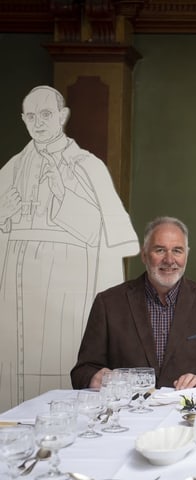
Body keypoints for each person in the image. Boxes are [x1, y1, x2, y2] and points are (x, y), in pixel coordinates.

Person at [0, 85, 139, 411]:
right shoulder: (14, 167)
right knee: (17, 363)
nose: (38, 122)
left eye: (46, 114)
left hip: (67, 280)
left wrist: (62, 198)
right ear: (23, 120)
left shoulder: (86, 166)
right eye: (31, 116)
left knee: (62, 358)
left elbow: (108, 233)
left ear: (62, 116)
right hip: (18, 283)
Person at [70, 216, 196, 390]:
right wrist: (98, 379)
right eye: (160, 250)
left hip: (188, 412)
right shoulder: (108, 303)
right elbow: (82, 371)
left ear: (186, 255)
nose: (169, 260)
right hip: (128, 412)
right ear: (144, 255)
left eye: (177, 250)